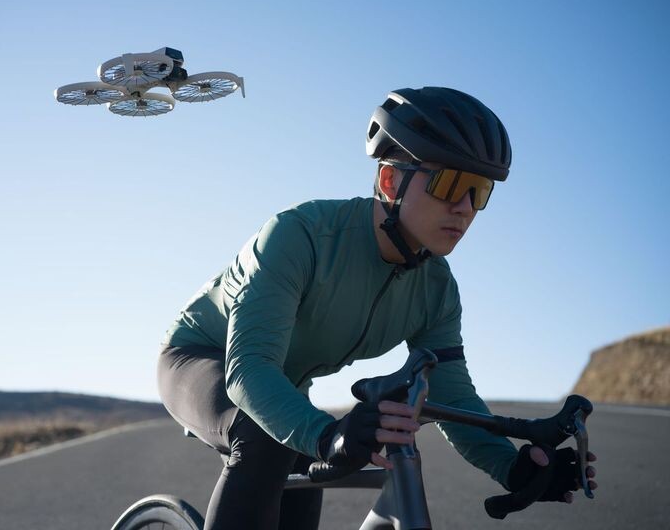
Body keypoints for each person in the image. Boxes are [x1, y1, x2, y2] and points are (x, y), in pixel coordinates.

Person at [157, 87, 597, 529]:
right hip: (203, 357)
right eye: (449, 184)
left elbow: (451, 395)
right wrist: (327, 436)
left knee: (298, 476)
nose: (465, 208)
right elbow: (250, 370)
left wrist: (513, 467)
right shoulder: (298, 236)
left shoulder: (437, 290)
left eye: (478, 191)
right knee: (267, 440)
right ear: (390, 181)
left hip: (287, 383)